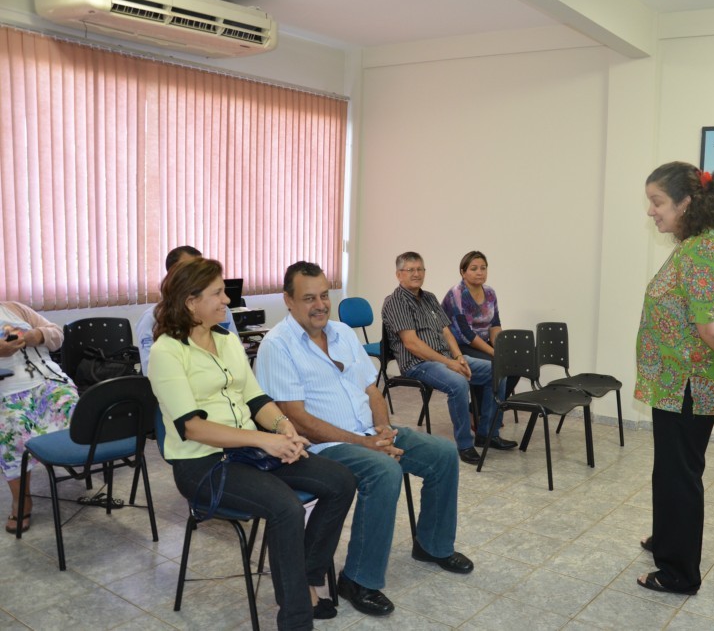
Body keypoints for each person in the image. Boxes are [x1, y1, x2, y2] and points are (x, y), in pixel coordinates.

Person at [147, 258, 356, 629]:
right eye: (216, 293)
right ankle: (295, 618)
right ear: (190, 301)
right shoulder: (167, 351)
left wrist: (283, 429)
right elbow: (192, 428)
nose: (226, 299)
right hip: (202, 465)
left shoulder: (227, 341)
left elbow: (256, 399)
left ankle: (305, 578)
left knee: (340, 481)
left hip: (251, 452)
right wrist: (266, 440)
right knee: (287, 508)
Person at [256, 262, 472, 617]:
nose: (320, 305)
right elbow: (296, 419)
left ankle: (432, 545)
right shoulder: (277, 346)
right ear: (288, 301)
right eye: (308, 298)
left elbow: (371, 390)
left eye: (324, 295)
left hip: (370, 436)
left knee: (444, 454)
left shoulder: (341, 333)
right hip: (324, 447)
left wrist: (383, 431)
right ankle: (358, 579)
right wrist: (364, 443)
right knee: (384, 471)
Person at [635, 161, 714, 595]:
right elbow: (711, 320)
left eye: (658, 202)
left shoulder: (702, 251)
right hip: (677, 382)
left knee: (679, 476)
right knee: (671, 471)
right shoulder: (701, 245)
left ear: (687, 202)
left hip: (685, 384)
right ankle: (666, 541)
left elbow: (709, 328)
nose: (652, 211)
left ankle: (678, 572)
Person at [382, 252, 516, 465]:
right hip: (418, 364)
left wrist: (459, 356)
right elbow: (412, 344)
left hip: (444, 358)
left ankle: (487, 434)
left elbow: (446, 332)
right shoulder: (395, 302)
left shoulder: (430, 298)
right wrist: (449, 363)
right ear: (399, 274)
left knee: (497, 370)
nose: (417, 274)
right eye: (411, 270)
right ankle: (465, 444)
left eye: (420, 269)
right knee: (458, 382)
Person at [1, 303, 79, 534]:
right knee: (11, 429)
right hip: (6, 392)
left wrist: (38, 335)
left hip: (48, 382)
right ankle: (21, 499)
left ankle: (76, 463)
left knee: (74, 409)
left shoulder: (13, 308)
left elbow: (57, 334)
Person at [135, 245, 239, 375]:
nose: (199, 277)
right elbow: (151, 372)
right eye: (190, 271)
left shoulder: (222, 310)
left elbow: (237, 355)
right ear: (174, 275)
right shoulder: (152, 318)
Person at [441, 251, 518, 399]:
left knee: (514, 364)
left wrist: (499, 347)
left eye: (483, 268)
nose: (479, 272)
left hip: (481, 343)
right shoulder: (457, 294)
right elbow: (466, 335)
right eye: (474, 268)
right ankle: (478, 412)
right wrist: (493, 352)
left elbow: (495, 324)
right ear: (463, 272)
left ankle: (494, 407)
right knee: (495, 365)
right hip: (458, 346)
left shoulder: (490, 292)